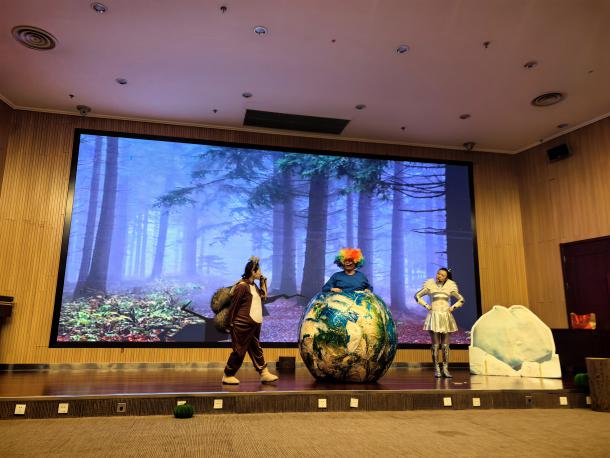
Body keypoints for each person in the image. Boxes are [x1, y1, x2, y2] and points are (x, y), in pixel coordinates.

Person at [222, 256, 279, 385]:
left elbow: (263, 297)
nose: (260, 273)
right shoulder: (242, 286)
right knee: (239, 351)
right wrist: (228, 323)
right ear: (253, 271)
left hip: (253, 325)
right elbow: (234, 305)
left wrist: (263, 282)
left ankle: (264, 373)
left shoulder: (253, 286)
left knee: (256, 349)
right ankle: (228, 374)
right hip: (242, 324)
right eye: (259, 271)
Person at [414, 267, 465, 378]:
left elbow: (461, 299)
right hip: (434, 316)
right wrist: (427, 306)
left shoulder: (450, 286)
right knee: (436, 345)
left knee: (445, 345)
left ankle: (445, 369)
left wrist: (453, 307)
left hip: (446, 316)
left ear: (446, 277)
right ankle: (436, 369)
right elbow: (417, 296)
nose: (439, 276)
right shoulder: (430, 285)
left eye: (442, 275)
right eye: (438, 273)